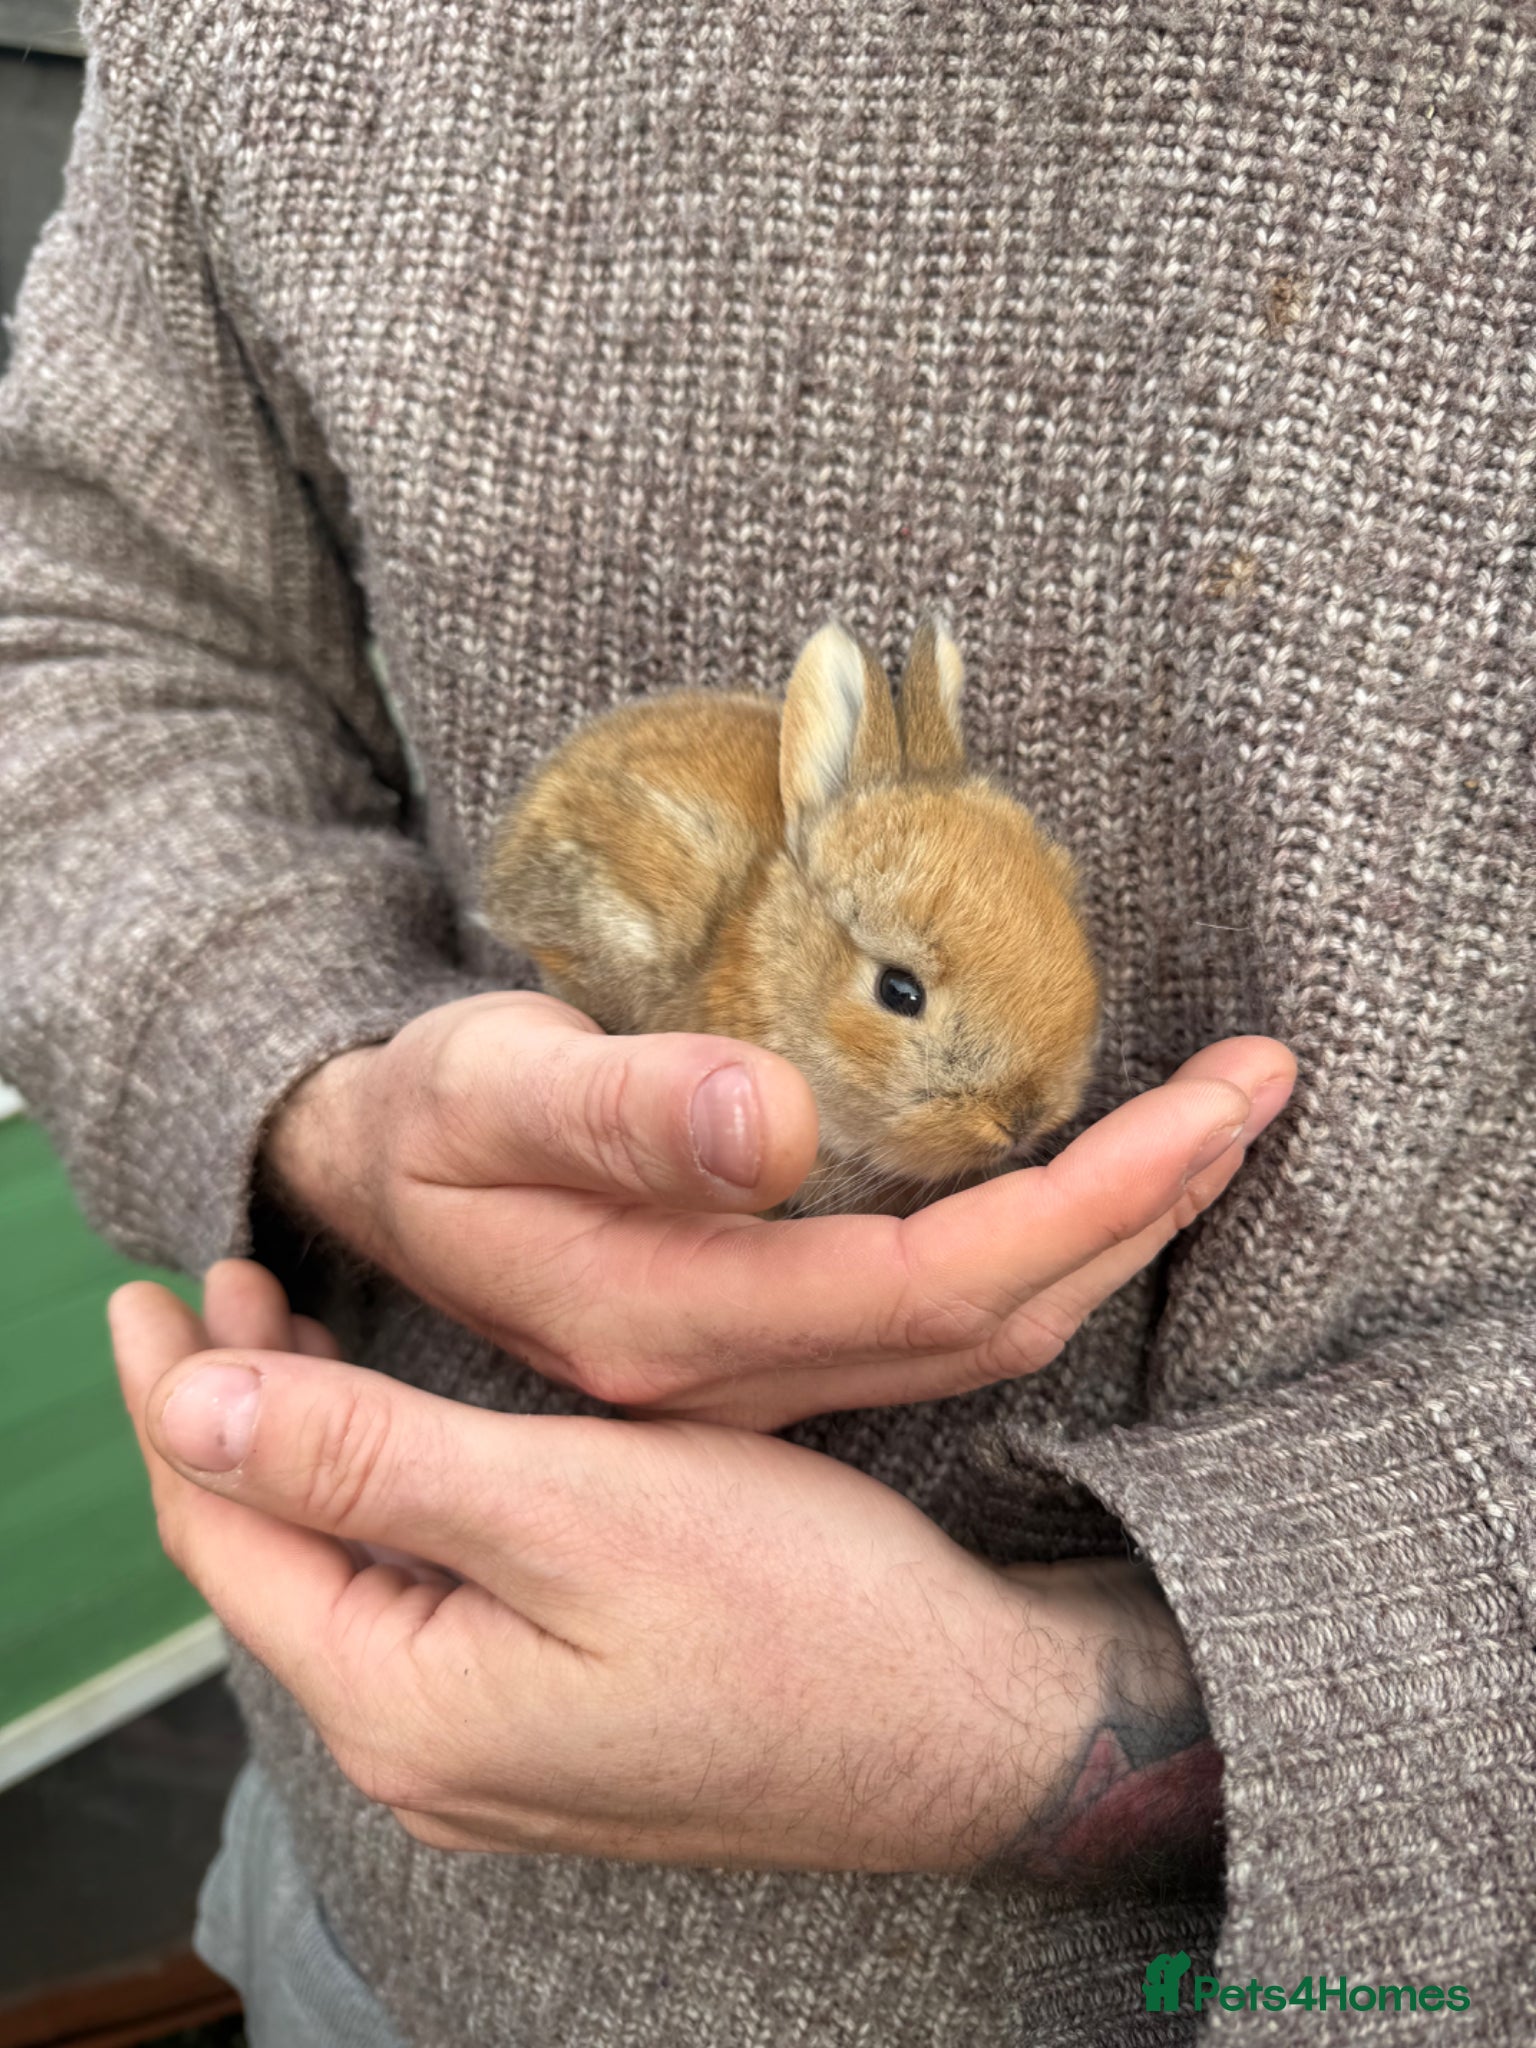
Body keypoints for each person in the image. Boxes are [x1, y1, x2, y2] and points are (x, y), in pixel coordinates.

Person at [2, 3, 1531, 2042]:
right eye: (899, 995)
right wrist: (318, 1079)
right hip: (377, 1892)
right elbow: (87, 613)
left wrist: (1166, 1696)